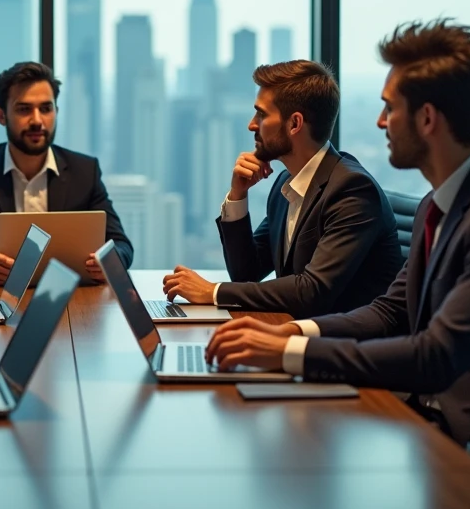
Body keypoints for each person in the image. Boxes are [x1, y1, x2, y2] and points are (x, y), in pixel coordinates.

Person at [204, 20, 470, 509]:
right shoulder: (445, 201)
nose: (380, 122)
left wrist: (292, 351)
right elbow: (390, 312)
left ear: (427, 118)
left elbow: (436, 356)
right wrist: (290, 336)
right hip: (445, 431)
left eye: (390, 107)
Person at [162, 60, 400, 317]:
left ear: (294, 123)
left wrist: (213, 292)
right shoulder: (285, 185)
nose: (252, 124)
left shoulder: (352, 190)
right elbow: (247, 274)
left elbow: (312, 291)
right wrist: (237, 196)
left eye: (262, 114)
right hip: (298, 335)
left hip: (347, 348)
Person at [0, 61, 133, 284]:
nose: (37, 120)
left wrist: (107, 263)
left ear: (56, 111)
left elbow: (121, 245)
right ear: (1, 116)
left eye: (46, 109)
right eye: (24, 109)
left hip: (74, 301)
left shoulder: (84, 171)